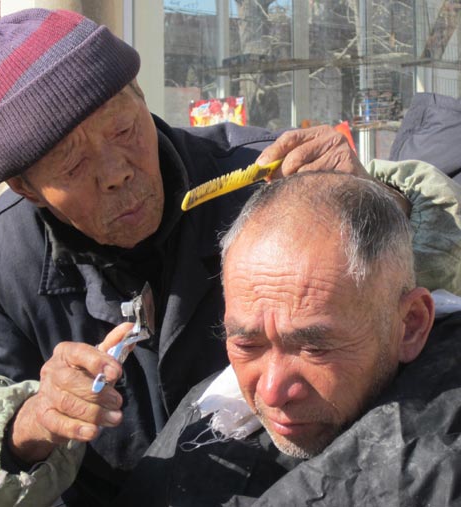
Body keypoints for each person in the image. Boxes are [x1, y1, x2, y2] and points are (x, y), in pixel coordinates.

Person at [0, 8, 461, 507]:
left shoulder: (270, 178)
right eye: (72, 166)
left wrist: (373, 204)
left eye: (125, 130)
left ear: (141, 96)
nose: (117, 172)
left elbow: (431, 279)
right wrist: (35, 420)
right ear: (26, 189)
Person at [115, 171, 461, 506]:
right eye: (247, 345)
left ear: (411, 324)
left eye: (314, 348)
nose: (271, 391)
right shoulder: (211, 408)